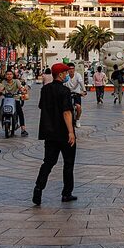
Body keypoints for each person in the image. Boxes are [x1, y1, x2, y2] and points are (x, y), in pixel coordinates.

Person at [32, 63, 77, 205]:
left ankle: (38, 188)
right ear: (61, 74)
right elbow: (66, 112)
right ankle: (66, 193)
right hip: (63, 133)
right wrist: (71, 132)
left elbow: (42, 106)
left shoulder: (45, 89)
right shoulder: (65, 91)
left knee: (48, 162)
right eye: (65, 73)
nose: (67, 75)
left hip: (49, 132)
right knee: (68, 163)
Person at [0, 69, 29, 137]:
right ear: (5, 75)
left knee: (20, 112)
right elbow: (1, 88)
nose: (9, 76)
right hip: (6, 99)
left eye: (10, 74)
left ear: (13, 75)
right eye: (7, 74)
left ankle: (23, 129)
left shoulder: (16, 81)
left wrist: (23, 91)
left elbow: (20, 88)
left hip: (15, 99)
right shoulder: (4, 82)